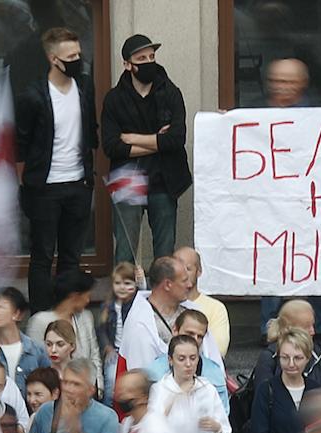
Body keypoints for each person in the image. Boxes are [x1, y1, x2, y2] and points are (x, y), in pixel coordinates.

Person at [13, 26, 97, 311]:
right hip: (44, 188)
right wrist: (25, 185)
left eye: (79, 54)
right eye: (70, 55)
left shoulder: (84, 86)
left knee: (72, 256)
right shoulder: (33, 96)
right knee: (42, 257)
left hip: (78, 184)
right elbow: (20, 146)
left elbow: (91, 132)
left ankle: (67, 314)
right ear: (53, 59)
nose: (77, 60)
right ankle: (40, 319)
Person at [101, 34, 189, 267]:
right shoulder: (114, 98)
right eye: (141, 58)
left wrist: (133, 139)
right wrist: (158, 141)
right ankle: (123, 302)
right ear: (128, 65)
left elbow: (176, 139)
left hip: (164, 178)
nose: (149, 61)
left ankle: (162, 300)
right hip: (126, 177)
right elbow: (112, 147)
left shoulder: (170, 92)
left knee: (164, 254)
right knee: (125, 251)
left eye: (152, 56)